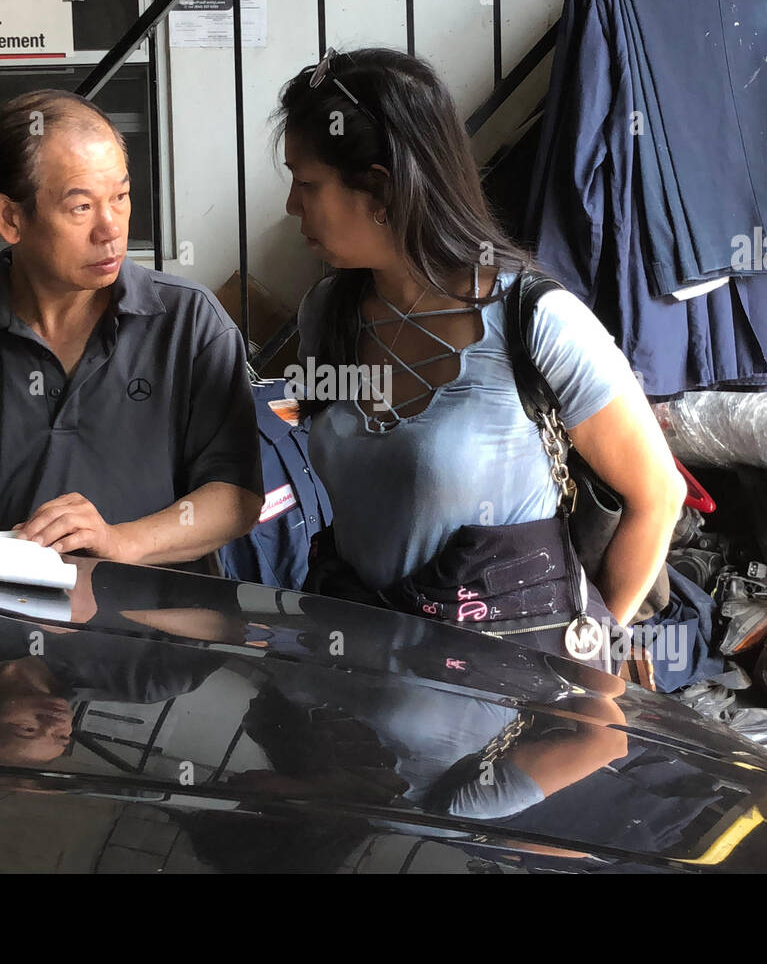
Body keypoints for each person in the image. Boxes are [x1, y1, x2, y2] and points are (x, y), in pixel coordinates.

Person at [274, 47, 685, 659]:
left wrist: (588, 657)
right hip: (357, 687)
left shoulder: (536, 324)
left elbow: (658, 497)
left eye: (307, 185)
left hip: (508, 715)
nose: (292, 206)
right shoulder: (326, 316)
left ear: (380, 188)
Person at [0, 89, 263, 572]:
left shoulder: (187, 323)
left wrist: (120, 543)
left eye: (120, 197)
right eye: (81, 207)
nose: (112, 229)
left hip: (156, 634)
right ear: (11, 218)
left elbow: (237, 498)